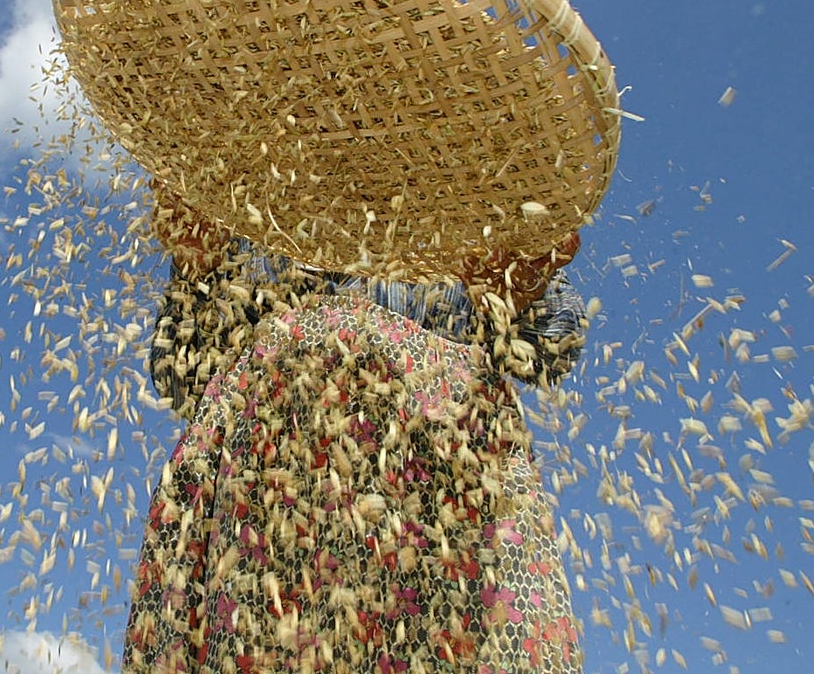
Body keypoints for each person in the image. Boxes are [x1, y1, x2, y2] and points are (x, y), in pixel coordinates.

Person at [122, 186, 589, 673]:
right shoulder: (249, 202)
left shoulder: (468, 198)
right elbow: (183, 373)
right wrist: (199, 265)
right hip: (271, 485)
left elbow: (552, 349)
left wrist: (515, 290)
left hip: (444, 479)